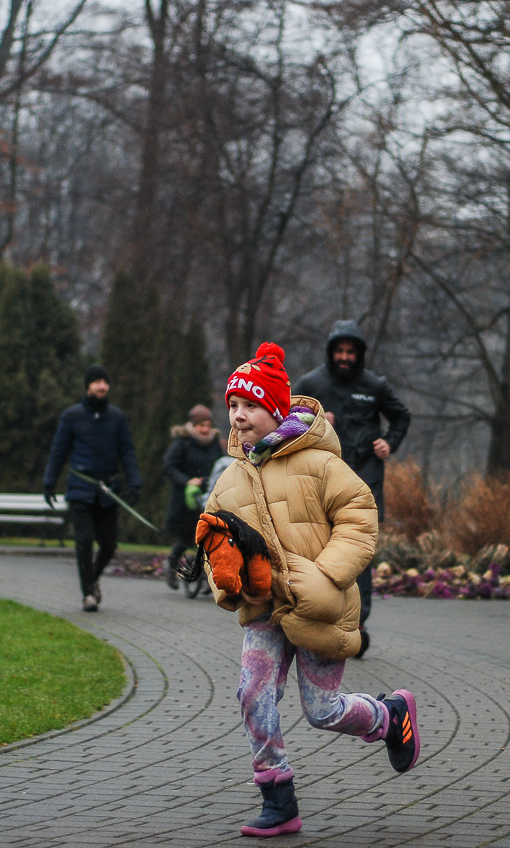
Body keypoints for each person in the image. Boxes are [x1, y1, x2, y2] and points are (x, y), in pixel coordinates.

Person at [204, 342, 421, 838]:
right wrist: (227, 574)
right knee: (252, 694)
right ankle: (278, 799)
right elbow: (214, 535)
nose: (238, 416)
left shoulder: (319, 463)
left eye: (250, 406)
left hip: (320, 606)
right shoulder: (231, 477)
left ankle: (388, 715)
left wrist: (325, 576)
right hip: (265, 609)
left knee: (321, 711)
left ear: (276, 410)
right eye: (233, 406)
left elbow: (360, 518)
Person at [292, 319, 410, 657]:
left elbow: (402, 416)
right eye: (339, 351)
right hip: (321, 478)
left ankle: (357, 622)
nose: (345, 357)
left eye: (350, 351)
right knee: (319, 546)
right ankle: (318, 616)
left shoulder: (374, 385)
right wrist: (314, 421)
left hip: (364, 477)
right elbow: (285, 421)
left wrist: (390, 442)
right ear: (331, 353)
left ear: (359, 354)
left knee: (359, 550)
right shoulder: (312, 383)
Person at [43, 365, 141, 611]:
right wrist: (49, 482)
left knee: (108, 545)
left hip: (108, 490)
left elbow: (127, 451)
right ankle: (88, 593)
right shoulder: (71, 416)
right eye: (97, 381)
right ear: (88, 385)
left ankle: (93, 579)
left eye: (105, 382)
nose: (102, 386)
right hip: (81, 488)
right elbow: (58, 451)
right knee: (84, 541)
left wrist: (135, 482)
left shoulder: (117, 417)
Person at [161, 404, 224, 589]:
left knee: (208, 536)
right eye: (201, 425)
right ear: (193, 425)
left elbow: (221, 464)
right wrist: (187, 481)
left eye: (208, 425)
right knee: (187, 537)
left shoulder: (214, 443)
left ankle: (207, 576)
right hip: (185, 498)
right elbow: (169, 466)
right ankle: (172, 565)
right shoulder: (183, 442)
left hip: (207, 494)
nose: (205, 430)